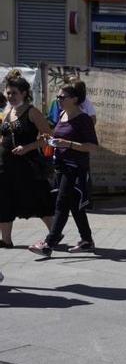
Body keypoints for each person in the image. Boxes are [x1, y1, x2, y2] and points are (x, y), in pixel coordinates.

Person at [28, 77, 99, 257]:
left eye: (62, 97)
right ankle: (87, 240)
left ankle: (48, 243)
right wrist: (49, 140)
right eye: (58, 97)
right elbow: (57, 137)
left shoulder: (83, 119)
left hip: (75, 167)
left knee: (61, 203)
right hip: (61, 166)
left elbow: (92, 146)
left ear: (74, 99)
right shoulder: (61, 115)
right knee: (74, 205)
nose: (58, 100)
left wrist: (67, 144)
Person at [1, 70, 54, 248]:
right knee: (4, 200)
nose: (10, 96)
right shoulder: (8, 112)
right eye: (8, 93)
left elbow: (48, 137)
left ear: (24, 93)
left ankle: (54, 234)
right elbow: (4, 137)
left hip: (27, 165)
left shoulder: (32, 112)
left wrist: (28, 147)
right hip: (5, 165)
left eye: (14, 93)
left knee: (38, 199)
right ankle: (6, 240)